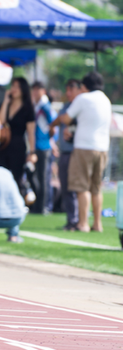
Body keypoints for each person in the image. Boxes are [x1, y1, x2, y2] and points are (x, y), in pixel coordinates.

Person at [50, 72, 111, 232]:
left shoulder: (83, 99)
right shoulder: (106, 99)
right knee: (96, 187)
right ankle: (97, 224)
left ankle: (82, 223)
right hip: (103, 147)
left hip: (84, 147)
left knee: (82, 186)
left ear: (84, 86)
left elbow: (67, 118)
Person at [0, 77, 37, 195]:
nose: (14, 89)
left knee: (16, 177)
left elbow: (31, 132)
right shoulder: (5, 104)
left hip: (18, 146)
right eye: (13, 86)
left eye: (17, 87)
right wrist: (5, 102)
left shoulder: (27, 108)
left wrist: (32, 152)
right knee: (1, 176)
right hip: (3, 144)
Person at [54, 79, 80, 230]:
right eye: (67, 89)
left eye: (72, 89)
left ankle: (76, 220)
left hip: (76, 152)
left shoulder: (81, 105)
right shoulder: (65, 106)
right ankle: (72, 219)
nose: (68, 93)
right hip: (64, 152)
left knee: (75, 188)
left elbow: (65, 120)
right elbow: (60, 120)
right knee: (65, 187)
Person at [30, 81, 55, 214]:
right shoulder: (36, 105)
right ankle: (38, 204)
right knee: (33, 175)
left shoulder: (45, 106)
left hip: (44, 147)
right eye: (33, 89)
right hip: (35, 146)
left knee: (43, 177)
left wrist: (49, 140)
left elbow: (53, 125)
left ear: (43, 91)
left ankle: (43, 206)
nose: (35, 92)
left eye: (37, 89)